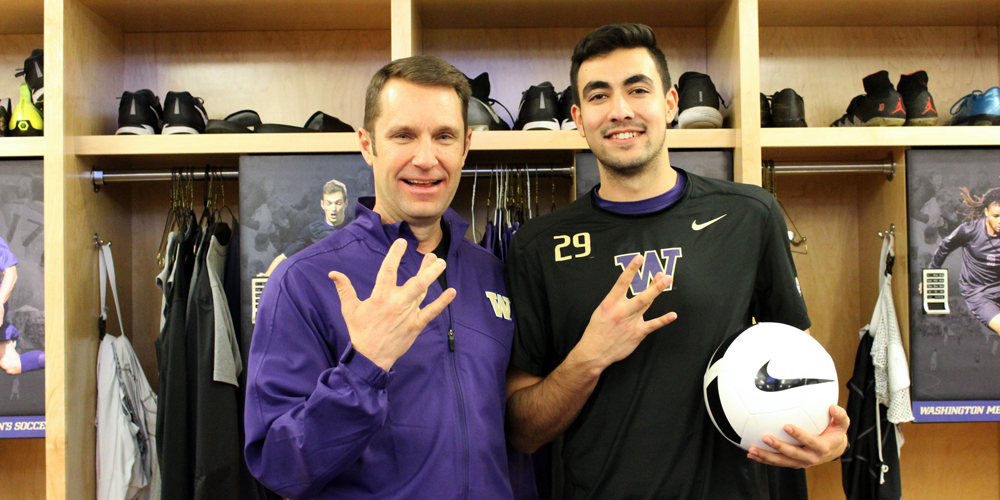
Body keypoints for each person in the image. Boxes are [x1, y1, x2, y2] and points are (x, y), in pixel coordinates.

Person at [504, 24, 849, 498]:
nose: (620, 110)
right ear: (579, 119)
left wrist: (825, 434)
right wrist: (588, 357)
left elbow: (800, 365)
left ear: (669, 104)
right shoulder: (537, 245)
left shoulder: (749, 214)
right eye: (599, 96)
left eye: (637, 89)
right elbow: (522, 431)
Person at [245, 55, 534, 499]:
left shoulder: (493, 273)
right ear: (366, 144)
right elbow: (280, 467)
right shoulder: (304, 282)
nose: (426, 158)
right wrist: (365, 367)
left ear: (466, 145)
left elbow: (508, 449)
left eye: (444, 136)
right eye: (403, 135)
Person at [926, 186, 1000, 335]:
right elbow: (943, 248)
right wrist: (931, 275)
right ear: (986, 212)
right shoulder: (968, 231)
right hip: (979, 293)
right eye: (996, 216)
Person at [262, 179, 351, 276]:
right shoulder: (312, 229)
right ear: (322, 204)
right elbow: (284, 256)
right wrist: (267, 274)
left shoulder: (357, 225)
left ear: (345, 204)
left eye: (337, 203)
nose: (333, 209)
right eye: (329, 203)